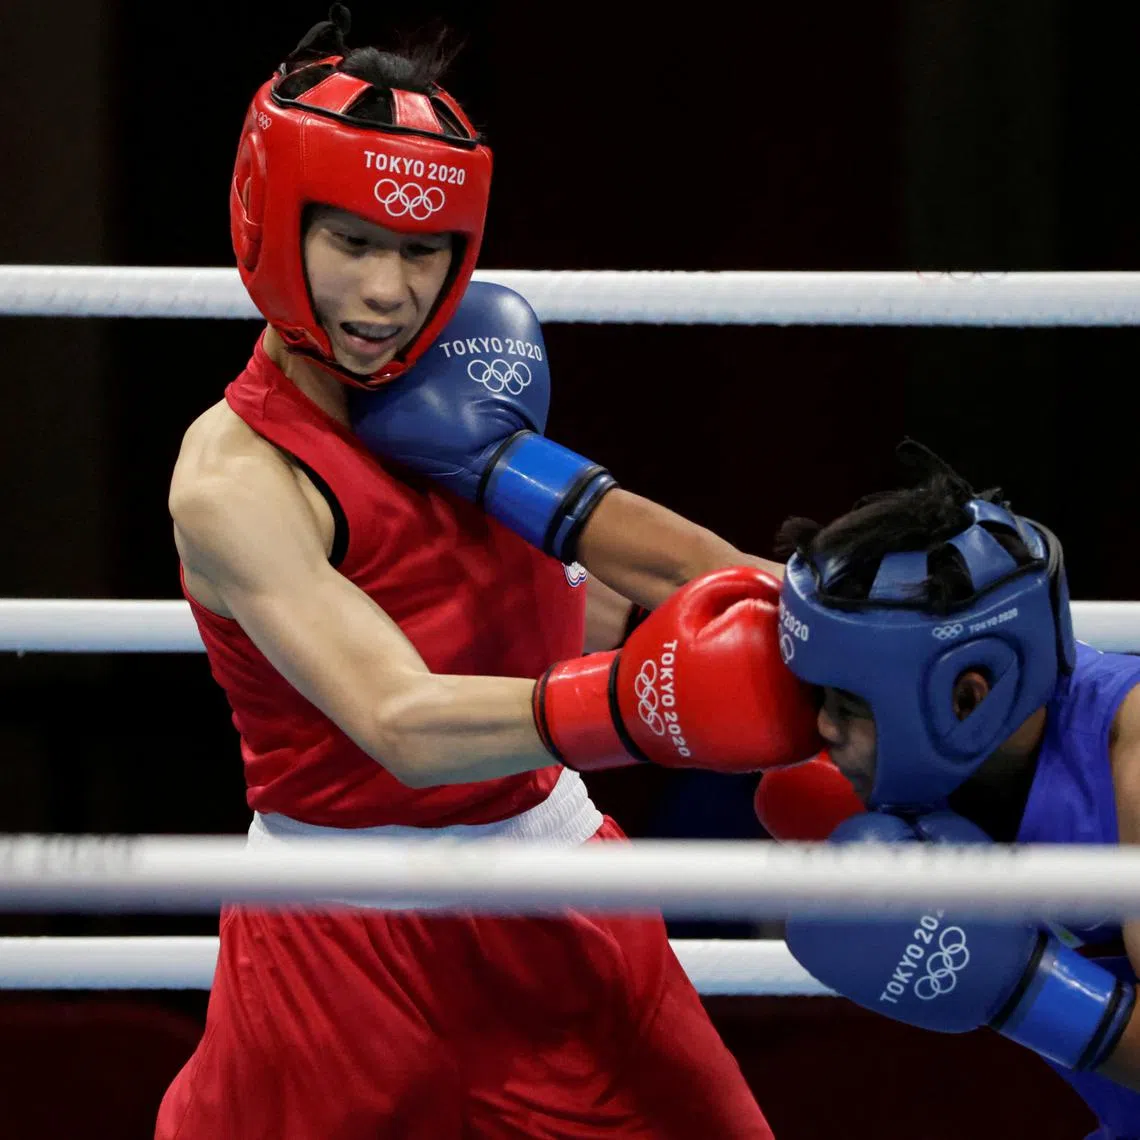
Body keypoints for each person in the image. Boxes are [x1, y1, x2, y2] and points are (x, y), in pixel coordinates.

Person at [156, 7, 821, 1137]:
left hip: (557, 881)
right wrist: (643, 705)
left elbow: (599, 548)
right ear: (274, 220)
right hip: (340, 937)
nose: (388, 292)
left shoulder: (474, 368)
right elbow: (399, 721)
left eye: (422, 252)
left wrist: (817, 615)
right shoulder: (235, 476)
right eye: (353, 243)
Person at [753, 440, 1140, 1140]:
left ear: (967, 698)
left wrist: (1022, 987)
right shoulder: (958, 751)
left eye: (849, 705)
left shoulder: (1132, 759)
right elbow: (686, 576)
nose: (822, 728)